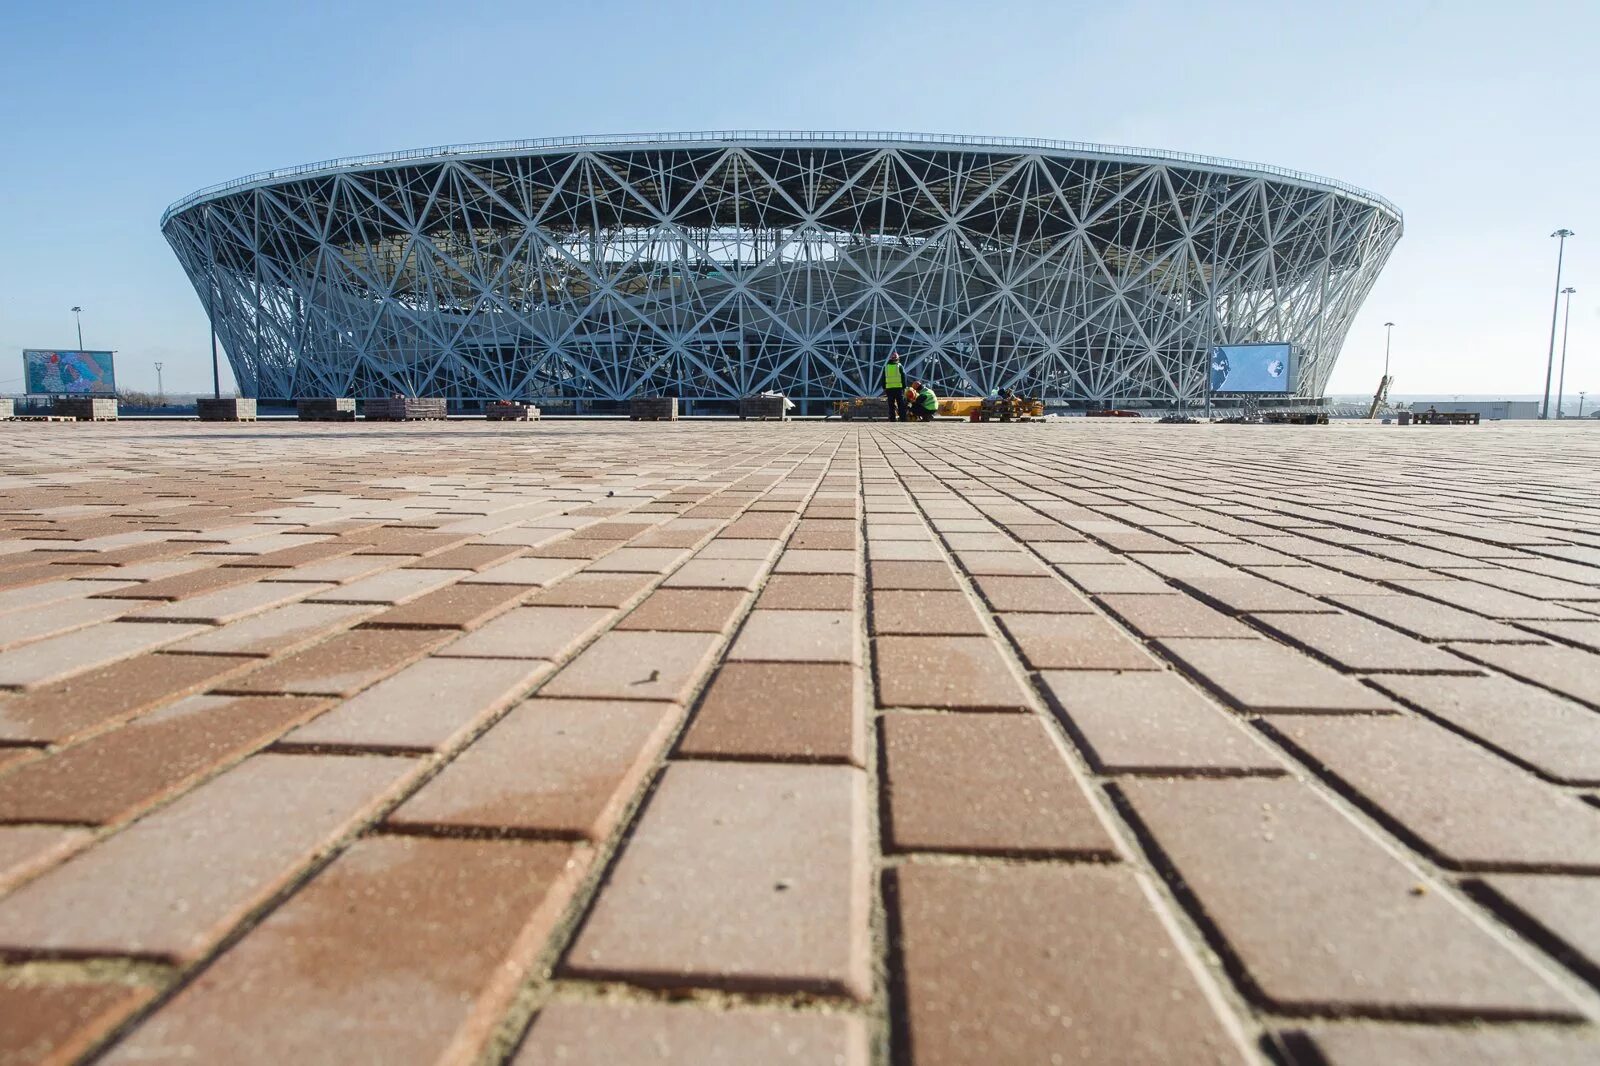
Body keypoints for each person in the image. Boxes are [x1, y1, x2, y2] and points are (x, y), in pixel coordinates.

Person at [882, 351, 907, 422]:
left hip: (889, 389)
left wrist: (884, 387)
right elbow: (903, 377)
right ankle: (903, 419)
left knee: (891, 405)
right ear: (897, 359)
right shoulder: (899, 366)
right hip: (899, 388)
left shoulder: (886, 367)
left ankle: (892, 419)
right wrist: (904, 387)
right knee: (901, 405)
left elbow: (883, 378)